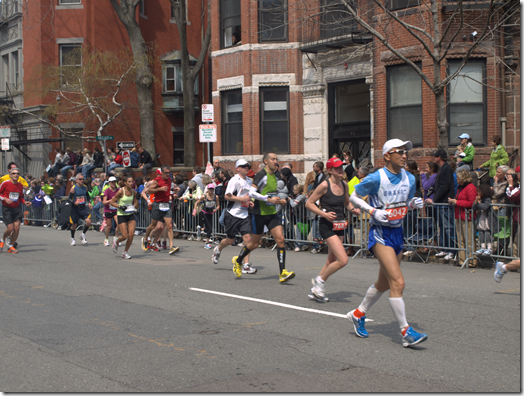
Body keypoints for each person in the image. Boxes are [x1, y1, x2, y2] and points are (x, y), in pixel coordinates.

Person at [348, 138, 427, 348]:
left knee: (385, 283)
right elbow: (353, 197)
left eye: (405, 152)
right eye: (399, 151)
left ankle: (358, 314)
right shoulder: (376, 178)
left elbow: (404, 204)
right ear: (387, 156)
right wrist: (374, 211)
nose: (404, 155)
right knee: (398, 283)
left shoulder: (410, 179)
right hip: (380, 234)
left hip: (397, 234)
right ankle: (405, 332)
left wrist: (413, 204)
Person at [232, 152, 295, 282]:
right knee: (254, 244)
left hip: (271, 213)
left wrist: (279, 201)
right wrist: (269, 199)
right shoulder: (261, 175)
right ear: (266, 161)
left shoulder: (276, 176)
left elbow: (272, 194)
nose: (275, 161)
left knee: (281, 240)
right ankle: (238, 261)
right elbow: (252, 193)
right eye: (272, 159)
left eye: (276, 159)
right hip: (259, 214)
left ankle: (282, 272)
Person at [306, 157, 359, 302]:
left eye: (341, 167)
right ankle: (319, 282)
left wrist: (353, 209)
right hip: (327, 225)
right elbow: (309, 203)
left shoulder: (345, 185)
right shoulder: (324, 185)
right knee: (343, 260)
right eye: (337, 168)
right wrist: (324, 214)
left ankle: (315, 290)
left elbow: (347, 203)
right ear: (330, 171)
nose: (341, 170)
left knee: (332, 259)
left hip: (340, 224)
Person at [212, 159, 257, 272]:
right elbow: (227, 196)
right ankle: (218, 249)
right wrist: (242, 199)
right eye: (244, 166)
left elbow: (247, 195)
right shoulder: (234, 180)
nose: (246, 168)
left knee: (247, 239)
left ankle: (245, 265)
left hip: (244, 214)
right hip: (232, 214)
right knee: (230, 240)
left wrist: (249, 201)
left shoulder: (249, 181)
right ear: (238, 168)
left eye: (248, 166)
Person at [141, 164, 179, 255]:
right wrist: (160, 189)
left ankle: (171, 247)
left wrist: (174, 190)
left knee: (169, 226)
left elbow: (168, 190)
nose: (167, 175)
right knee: (153, 226)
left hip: (166, 205)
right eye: (166, 173)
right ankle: (145, 238)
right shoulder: (157, 181)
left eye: (169, 173)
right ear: (161, 172)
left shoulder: (169, 180)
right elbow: (149, 191)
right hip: (157, 205)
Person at [425, 149, 456, 261]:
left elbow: (445, 186)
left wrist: (435, 199)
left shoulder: (447, 168)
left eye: (436, 156)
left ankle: (452, 250)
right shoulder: (442, 169)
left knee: (448, 227)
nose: (434, 158)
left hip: (444, 202)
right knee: (442, 227)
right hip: (440, 202)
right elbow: (440, 185)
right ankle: (445, 248)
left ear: (440, 157)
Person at [448, 169, 477, 267]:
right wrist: (454, 201)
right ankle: (462, 260)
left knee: (469, 240)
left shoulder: (470, 187)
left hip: (467, 216)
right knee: (461, 240)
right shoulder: (461, 187)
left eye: (458, 177)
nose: (457, 179)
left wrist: (457, 202)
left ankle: (471, 261)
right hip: (459, 215)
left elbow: (471, 203)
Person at [0, 168, 32, 253]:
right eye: (14, 173)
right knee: (10, 228)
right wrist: (5, 199)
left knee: (17, 228)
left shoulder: (20, 185)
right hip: (7, 208)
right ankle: (2, 240)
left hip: (17, 208)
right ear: (10, 175)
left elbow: (20, 197)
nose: (16, 175)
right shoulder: (5, 184)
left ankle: (11, 246)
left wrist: (25, 202)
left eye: (17, 173)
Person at [110, 176, 139, 259]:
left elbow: (136, 206)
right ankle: (116, 241)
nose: (131, 183)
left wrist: (137, 199)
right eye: (129, 182)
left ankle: (125, 252)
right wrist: (119, 206)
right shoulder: (120, 191)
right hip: (121, 215)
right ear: (125, 183)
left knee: (132, 234)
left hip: (130, 214)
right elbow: (112, 202)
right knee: (125, 236)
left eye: (132, 182)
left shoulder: (134, 192)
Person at [68, 174, 93, 246]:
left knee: (88, 221)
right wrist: (74, 202)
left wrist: (89, 202)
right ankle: (72, 238)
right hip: (75, 208)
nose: (82, 180)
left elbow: (87, 196)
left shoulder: (85, 188)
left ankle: (83, 234)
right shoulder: (73, 188)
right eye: (80, 179)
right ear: (76, 180)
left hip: (83, 208)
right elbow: (69, 198)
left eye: (83, 179)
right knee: (74, 224)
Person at [193, 184, 220, 249]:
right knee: (210, 228)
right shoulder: (204, 196)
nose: (211, 190)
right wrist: (194, 211)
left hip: (210, 214)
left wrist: (216, 209)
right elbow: (197, 202)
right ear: (207, 189)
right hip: (204, 213)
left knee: (209, 229)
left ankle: (200, 229)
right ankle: (207, 243)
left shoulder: (215, 197)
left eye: (212, 189)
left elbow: (218, 205)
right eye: (210, 189)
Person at [472, 184, 494, 255]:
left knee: (487, 233)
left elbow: (484, 207)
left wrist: (478, 203)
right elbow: (474, 208)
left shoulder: (488, 199)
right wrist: (475, 202)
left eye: (479, 191)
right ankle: (482, 247)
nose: (478, 193)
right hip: (481, 218)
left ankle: (489, 248)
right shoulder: (479, 199)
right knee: (481, 232)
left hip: (487, 219)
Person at [102, 176, 120, 246]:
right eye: (112, 182)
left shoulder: (118, 190)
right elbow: (104, 202)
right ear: (109, 183)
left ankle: (115, 238)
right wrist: (111, 200)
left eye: (114, 182)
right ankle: (106, 239)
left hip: (116, 209)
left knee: (119, 224)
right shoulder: (107, 191)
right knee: (109, 226)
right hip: (108, 210)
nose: (113, 183)